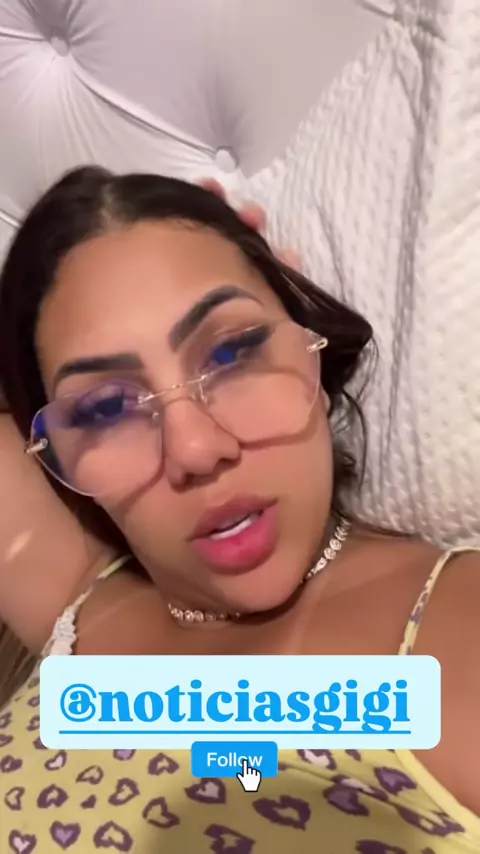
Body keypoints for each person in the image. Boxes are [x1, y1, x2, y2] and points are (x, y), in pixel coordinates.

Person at [0, 167, 478, 853]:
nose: (195, 449)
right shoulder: (75, 588)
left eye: (232, 353)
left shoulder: (457, 628)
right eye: (105, 408)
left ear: (309, 348)